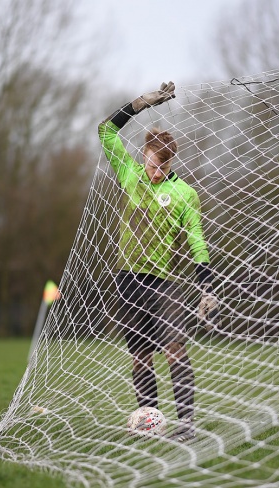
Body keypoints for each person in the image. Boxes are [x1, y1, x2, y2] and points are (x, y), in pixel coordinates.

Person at [98, 81, 218, 442]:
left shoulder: (185, 194)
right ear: (145, 154)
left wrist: (206, 285)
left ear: (171, 163)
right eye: (151, 163)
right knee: (140, 358)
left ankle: (187, 425)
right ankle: (149, 422)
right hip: (127, 280)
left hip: (162, 283)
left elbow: (197, 240)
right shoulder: (129, 174)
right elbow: (105, 130)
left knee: (176, 349)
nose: (155, 172)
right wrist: (140, 104)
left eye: (162, 167)